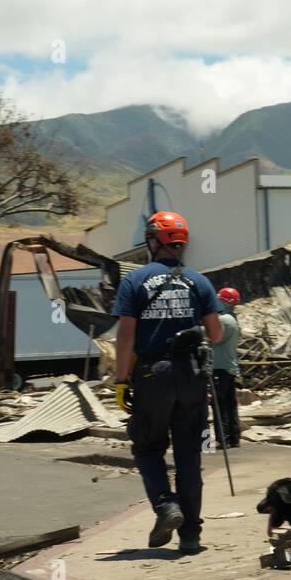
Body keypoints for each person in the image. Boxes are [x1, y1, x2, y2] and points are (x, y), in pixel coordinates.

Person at [112, 211, 223, 554]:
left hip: (153, 374)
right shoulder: (199, 282)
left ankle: (165, 505)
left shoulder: (135, 281)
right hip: (191, 373)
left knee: (147, 446)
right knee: (189, 454)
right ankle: (191, 535)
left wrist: (120, 381)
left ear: (154, 241)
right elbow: (216, 333)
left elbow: (125, 336)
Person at [211, 287, 242, 448]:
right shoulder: (234, 319)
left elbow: (213, 338)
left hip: (220, 367)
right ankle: (234, 437)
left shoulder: (223, 320)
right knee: (230, 404)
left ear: (223, 301)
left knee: (219, 404)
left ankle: (221, 439)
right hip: (229, 366)